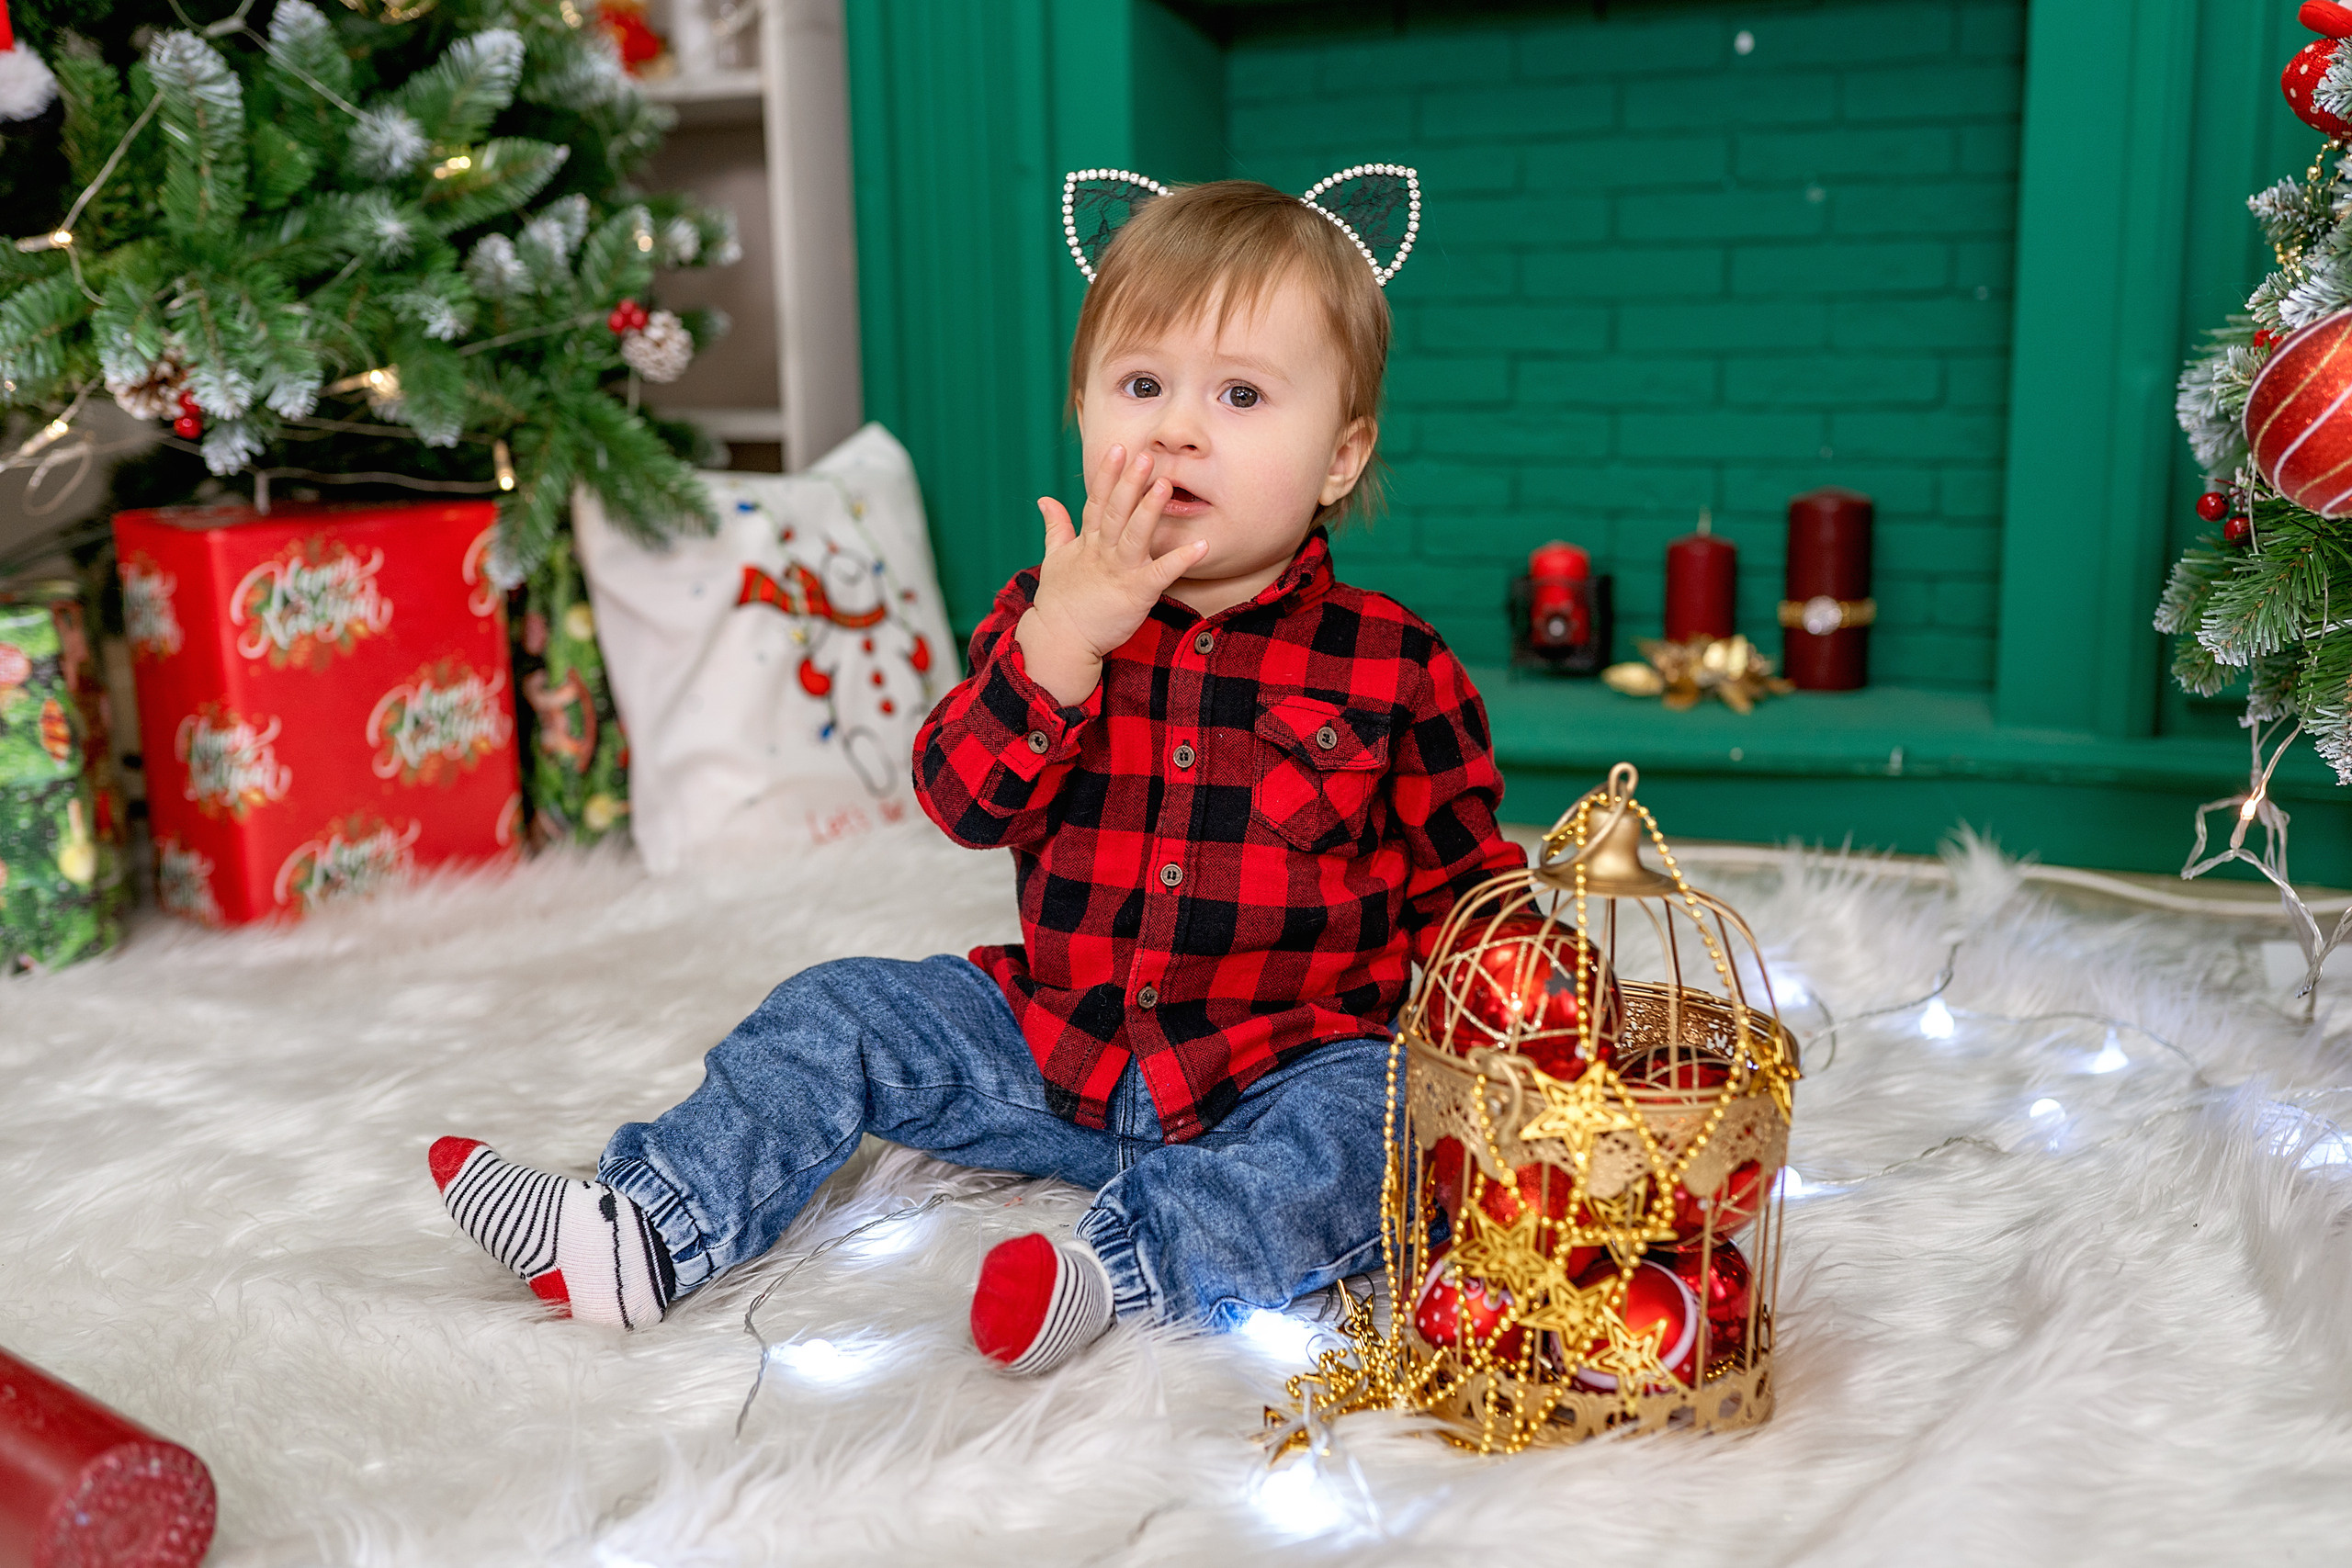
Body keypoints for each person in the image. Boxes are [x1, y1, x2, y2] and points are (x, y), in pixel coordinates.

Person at [430, 171, 1526, 1374]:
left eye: (1243, 394)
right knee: (836, 1007)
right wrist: (1062, 645)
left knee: (1387, 1123)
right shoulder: (1039, 613)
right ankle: (651, 1227)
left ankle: (1115, 1272)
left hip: (1276, 1065)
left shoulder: (1394, 664)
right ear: (1086, 411)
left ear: (1339, 453)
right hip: (1054, 1050)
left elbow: (1467, 895)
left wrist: (1547, 1020)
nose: (1177, 429)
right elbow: (958, 803)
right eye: (1142, 384)